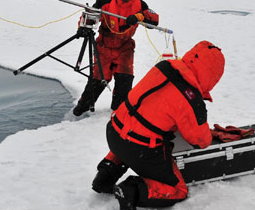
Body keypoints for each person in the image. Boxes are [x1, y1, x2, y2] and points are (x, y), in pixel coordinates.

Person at [91, 41, 225, 210]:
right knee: (178, 190)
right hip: (141, 150)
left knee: (131, 132)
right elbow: (200, 141)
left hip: (114, 132)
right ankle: (132, 190)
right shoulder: (191, 99)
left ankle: (105, 175)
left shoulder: (164, 66)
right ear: (212, 76)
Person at [72, 0, 159, 116]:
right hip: (104, 47)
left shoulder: (141, 6)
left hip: (125, 48)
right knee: (98, 79)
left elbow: (155, 20)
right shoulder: (105, 2)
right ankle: (81, 109)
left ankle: (119, 114)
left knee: (124, 81)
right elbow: (89, 17)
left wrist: (140, 17)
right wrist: (83, 27)